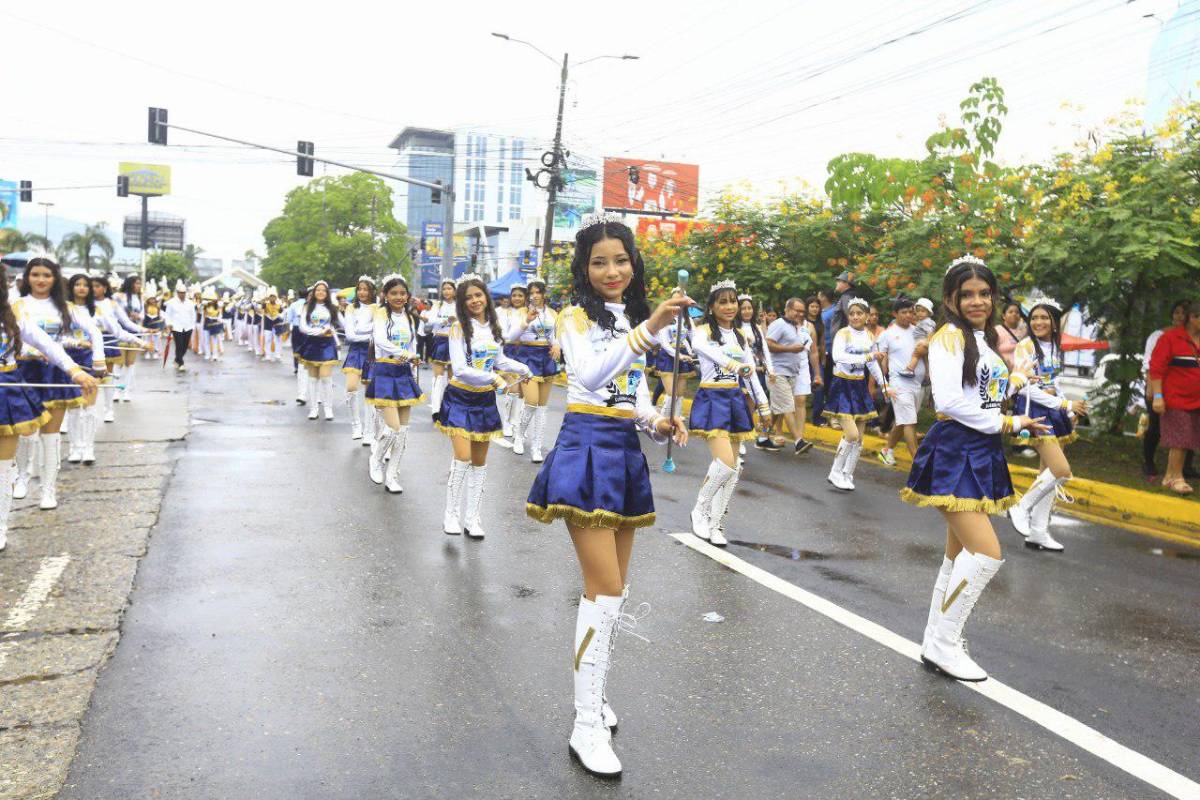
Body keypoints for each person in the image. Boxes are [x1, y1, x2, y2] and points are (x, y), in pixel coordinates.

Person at [525, 217, 689, 777]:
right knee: (605, 589)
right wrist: (650, 330)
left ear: (634, 263)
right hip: (585, 448)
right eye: (600, 262)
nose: (612, 271)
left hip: (623, 449)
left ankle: (594, 694)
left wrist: (656, 424)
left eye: (621, 260)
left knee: (614, 592)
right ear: (584, 268)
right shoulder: (572, 317)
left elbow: (632, 393)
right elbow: (592, 376)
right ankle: (585, 723)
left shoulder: (633, 317)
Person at [901, 255, 1051, 682]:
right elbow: (949, 402)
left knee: (957, 556)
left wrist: (1018, 380)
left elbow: (984, 393)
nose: (977, 301)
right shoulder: (949, 337)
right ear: (951, 298)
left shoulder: (979, 340)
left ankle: (936, 639)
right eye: (967, 294)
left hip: (979, 450)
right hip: (956, 451)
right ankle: (945, 645)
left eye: (984, 293)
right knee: (986, 554)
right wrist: (1010, 422)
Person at [0, 265, 98, 547]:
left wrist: (76, 371)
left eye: (46, 275)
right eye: (35, 274)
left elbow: (49, 345)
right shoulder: (19, 305)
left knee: (3, 465)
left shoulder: (12, 315)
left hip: (8, 388)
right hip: (21, 378)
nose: (41, 280)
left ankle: (3, 527)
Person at [436, 275, 530, 539]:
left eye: (478, 295)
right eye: (468, 297)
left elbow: (498, 360)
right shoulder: (458, 329)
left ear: (486, 297)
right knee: (462, 457)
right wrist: (495, 379)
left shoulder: (494, 327)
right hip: (460, 398)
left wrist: (522, 368)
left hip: (484, 401)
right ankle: (451, 515)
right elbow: (462, 370)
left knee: (479, 462)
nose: (475, 301)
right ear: (462, 303)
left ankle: (472, 518)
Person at [688, 281, 770, 546]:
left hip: (734, 399)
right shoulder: (702, 332)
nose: (729, 307)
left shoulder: (740, 336)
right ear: (711, 306)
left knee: (734, 470)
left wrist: (763, 404)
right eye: (722, 302)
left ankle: (716, 523)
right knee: (724, 463)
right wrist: (734, 365)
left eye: (732, 301)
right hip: (712, 398)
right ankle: (699, 509)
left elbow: (750, 373)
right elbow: (704, 350)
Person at [364, 275, 426, 494]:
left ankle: (392, 476)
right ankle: (376, 459)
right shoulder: (380, 315)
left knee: (403, 432)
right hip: (384, 372)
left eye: (402, 293)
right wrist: (406, 354)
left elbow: (414, 344)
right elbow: (381, 341)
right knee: (392, 429)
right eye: (394, 293)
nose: (399, 297)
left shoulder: (410, 317)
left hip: (404, 373)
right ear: (386, 295)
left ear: (407, 295)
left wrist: (414, 361)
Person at [824, 298, 890, 490]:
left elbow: (872, 365)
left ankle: (847, 474)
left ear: (867, 316)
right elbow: (838, 357)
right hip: (842, 386)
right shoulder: (843, 334)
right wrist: (868, 356)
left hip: (859, 387)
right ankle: (835, 472)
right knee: (851, 434)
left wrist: (884, 385)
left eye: (859, 313)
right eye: (851, 313)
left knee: (859, 439)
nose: (855, 316)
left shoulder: (869, 336)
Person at [1148, 300, 1200, 495]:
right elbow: (1156, 368)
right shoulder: (1170, 338)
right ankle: (1177, 478)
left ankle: (1169, 477)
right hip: (1175, 398)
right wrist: (1158, 396)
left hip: (1196, 400)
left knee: (1187, 439)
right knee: (1180, 439)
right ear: (1193, 318)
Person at [507, 278, 560, 462]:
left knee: (542, 407)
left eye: (538, 292)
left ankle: (537, 447)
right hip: (528, 357)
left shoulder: (553, 313)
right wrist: (526, 321)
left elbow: (555, 336)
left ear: (544, 294)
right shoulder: (522, 312)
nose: (535, 296)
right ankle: (519, 435)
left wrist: (557, 346)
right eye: (532, 293)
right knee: (531, 402)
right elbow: (510, 336)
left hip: (546, 358)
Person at [62, 274, 108, 466]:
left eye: (85, 285)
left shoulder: (96, 310)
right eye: (77, 284)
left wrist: (139, 339)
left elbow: (115, 330)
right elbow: (57, 336)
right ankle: (75, 447)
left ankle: (88, 448)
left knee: (89, 405)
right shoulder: (62, 308)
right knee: (73, 407)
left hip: (90, 360)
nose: (81, 288)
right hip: (67, 360)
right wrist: (77, 341)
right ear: (71, 287)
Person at [767, 298, 821, 455]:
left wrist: (816, 373)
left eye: (802, 311)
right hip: (777, 373)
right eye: (797, 310)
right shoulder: (779, 324)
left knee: (776, 410)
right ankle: (799, 441)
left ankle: (763, 435)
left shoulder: (797, 327)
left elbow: (812, 350)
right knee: (787, 406)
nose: (800, 314)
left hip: (792, 373)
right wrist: (790, 349)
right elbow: (768, 344)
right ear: (787, 309)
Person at [876, 297, 923, 466]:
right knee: (909, 421)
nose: (908, 315)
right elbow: (879, 361)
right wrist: (884, 384)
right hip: (898, 384)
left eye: (911, 312)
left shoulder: (918, 331)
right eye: (904, 312)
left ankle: (886, 450)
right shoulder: (887, 335)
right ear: (895, 313)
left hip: (917, 384)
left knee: (903, 421)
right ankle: (918, 462)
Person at [738, 294, 780, 453]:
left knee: (759, 406)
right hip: (742, 374)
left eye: (749, 308)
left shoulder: (756, 328)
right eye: (743, 308)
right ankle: (739, 440)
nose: (747, 311)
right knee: (746, 406)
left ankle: (764, 437)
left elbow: (765, 350)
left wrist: (771, 370)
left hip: (759, 373)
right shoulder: (734, 327)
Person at [298, 281, 341, 421]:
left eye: (323, 290)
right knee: (312, 379)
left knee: (326, 378)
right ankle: (313, 408)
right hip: (312, 344)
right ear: (314, 292)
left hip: (327, 345)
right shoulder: (307, 307)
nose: (320, 292)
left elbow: (345, 324)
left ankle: (328, 409)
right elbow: (303, 327)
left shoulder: (333, 308)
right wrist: (319, 332)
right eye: (318, 290)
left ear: (327, 293)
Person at [342, 276, 377, 441]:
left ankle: (369, 431)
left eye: (366, 289)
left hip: (372, 352)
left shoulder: (378, 308)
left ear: (371, 291)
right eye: (360, 289)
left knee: (370, 391)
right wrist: (367, 332)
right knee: (351, 387)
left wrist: (361, 330)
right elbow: (349, 335)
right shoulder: (351, 308)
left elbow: (378, 332)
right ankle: (356, 425)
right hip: (355, 351)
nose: (362, 292)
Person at [421, 279, 457, 423]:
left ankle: (450, 409)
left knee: (452, 379)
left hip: (455, 342)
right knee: (438, 377)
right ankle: (436, 410)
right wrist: (446, 321)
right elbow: (429, 323)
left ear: (454, 290)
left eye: (450, 288)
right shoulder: (437, 305)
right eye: (445, 289)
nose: (447, 291)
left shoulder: (459, 306)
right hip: (440, 341)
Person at [498, 283, 530, 438]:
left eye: (520, 296)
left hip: (526, 353)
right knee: (512, 389)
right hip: (508, 351)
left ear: (526, 298)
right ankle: (506, 423)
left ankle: (516, 423)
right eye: (514, 295)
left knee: (523, 392)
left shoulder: (530, 312)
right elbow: (505, 335)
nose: (517, 298)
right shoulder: (504, 313)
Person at [814, 289, 837, 423]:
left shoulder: (833, 311)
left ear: (823, 296)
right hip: (818, 352)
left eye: (818, 295)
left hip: (830, 352)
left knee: (829, 385)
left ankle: (830, 414)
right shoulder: (820, 312)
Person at [164, 280, 196, 372]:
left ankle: (177, 360)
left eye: (184, 293)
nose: (182, 294)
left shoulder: (190, 303)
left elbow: (193, 315)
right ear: (177, 293)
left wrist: (192, 326)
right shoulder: (171, 302)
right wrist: (169, 324)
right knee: (179, 345)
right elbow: (167, 314)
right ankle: (181, 363)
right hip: (176, 327)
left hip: (188, 327)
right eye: (180, 293)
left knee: (185, 347)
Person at [286, 288, 308, 403]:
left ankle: (297, 366)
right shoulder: (309, 304)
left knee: (296, 348)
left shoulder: (293, 305)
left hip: (296, 328)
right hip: (307, 330)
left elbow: (289, 318)